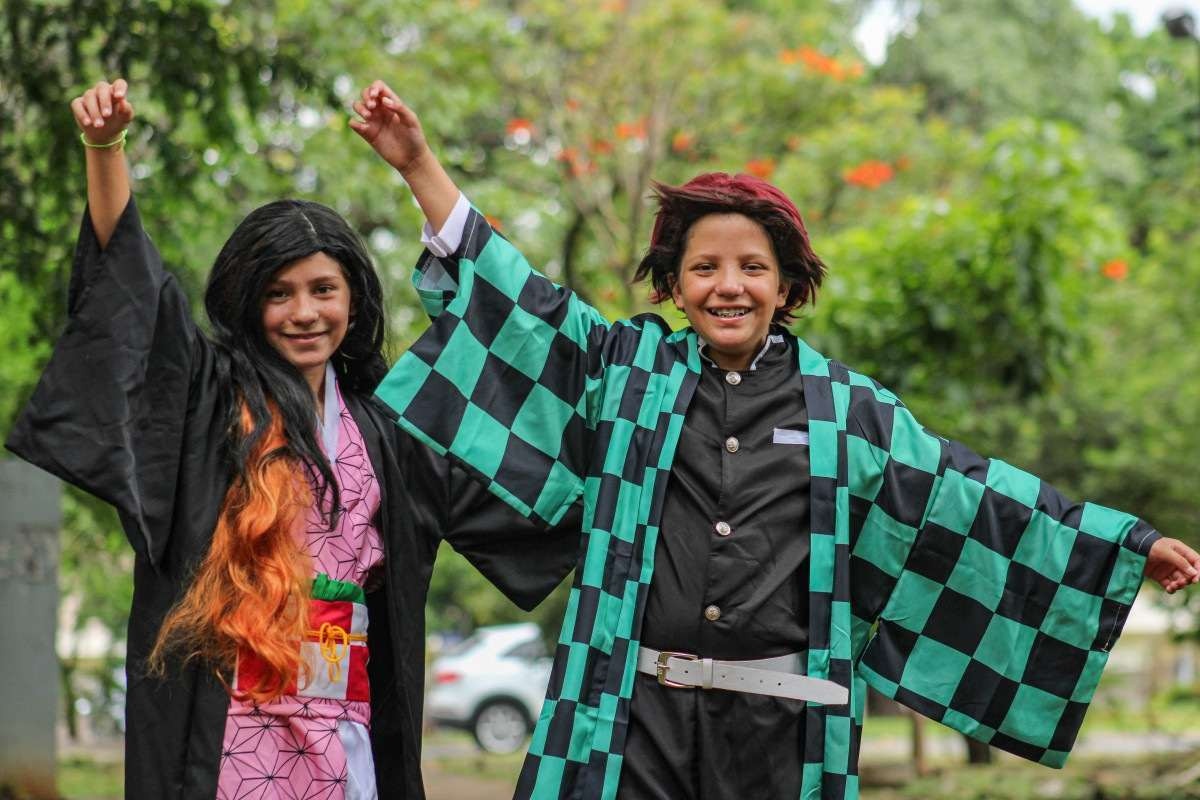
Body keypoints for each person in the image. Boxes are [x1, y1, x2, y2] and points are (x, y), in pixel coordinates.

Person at [351, 80, 1200, 800]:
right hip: (628, 721)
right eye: (705, 268)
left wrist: (1124, 546)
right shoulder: (625, 368)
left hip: (783, 735)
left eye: (752, 268)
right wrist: (419, 165)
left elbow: (971, 496)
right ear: (675, 286)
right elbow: (520, 307)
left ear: (787, 284)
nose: (729, 285)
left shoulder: (852, 413)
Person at [5, 78, 581, 800]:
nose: (303, 312)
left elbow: (507, 335)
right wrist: (105, 148)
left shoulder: (388, 431)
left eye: (323, 289)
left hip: (349, 719)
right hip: (233, 723)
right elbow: (134, 293)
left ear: (354, 299)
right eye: (279, 293)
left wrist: (417, 165)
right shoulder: (211, 401)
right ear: (249, 302)